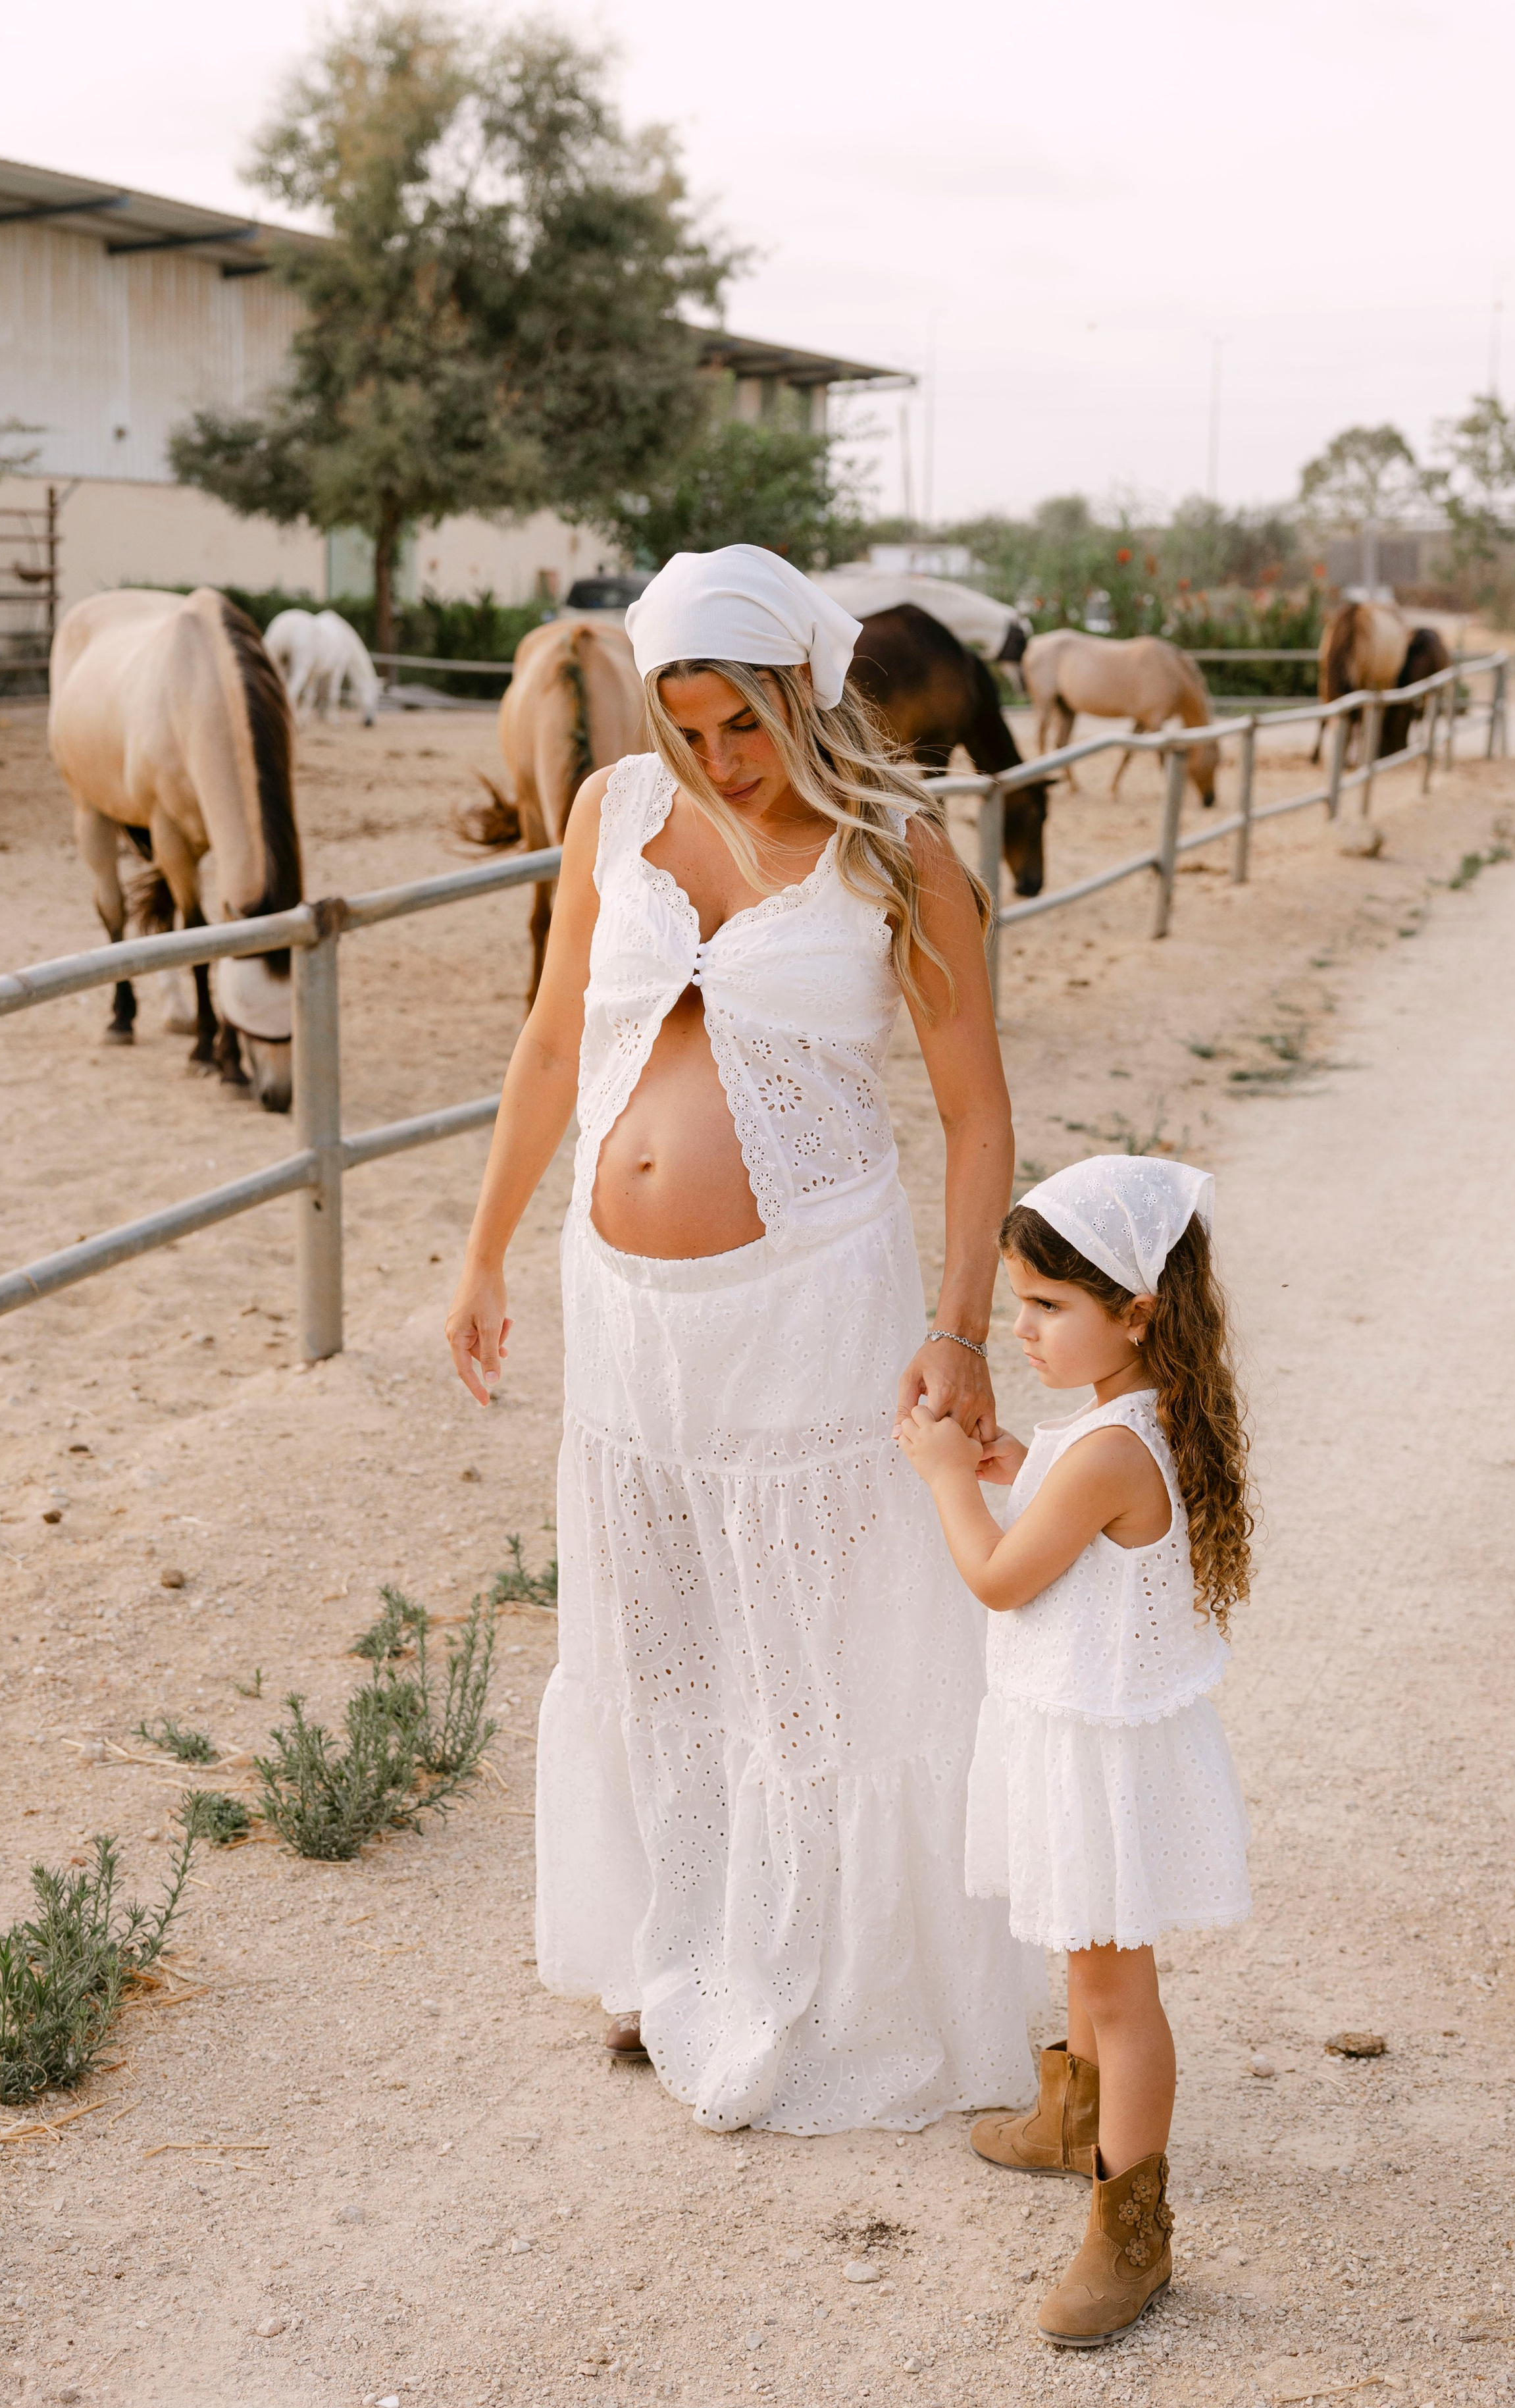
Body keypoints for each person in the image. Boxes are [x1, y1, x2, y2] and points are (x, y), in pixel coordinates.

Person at [445, 544, 1040, 2134]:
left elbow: (978, 1122)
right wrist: (484, 1244)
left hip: (813, 1303)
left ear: (802, 694)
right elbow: (556, 1035)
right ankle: (677, 1948)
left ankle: (817, 1974)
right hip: (624, 1309)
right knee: (654, 1632)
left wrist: (960, 1327)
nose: (716, 761)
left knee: (812, 1653)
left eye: (744, 727)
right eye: (687, 725)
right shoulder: (614, 815)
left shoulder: (899, 857)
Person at [898, 1155, 1253, 2342]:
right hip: (1080, 1740)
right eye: (1019, 1304)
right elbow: (1076, 1508)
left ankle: (1130, 2234)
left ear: (1136, 1312)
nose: (1024, 1331)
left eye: (1049, 1308)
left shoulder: (1110, 1451)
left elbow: (1001, 1575)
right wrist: (1013, 1466)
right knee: (1085, 1951)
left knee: (1115, 1982)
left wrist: (953, 1479)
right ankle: (1071, 2119)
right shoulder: (1122, 1425)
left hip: (1097, 1756)